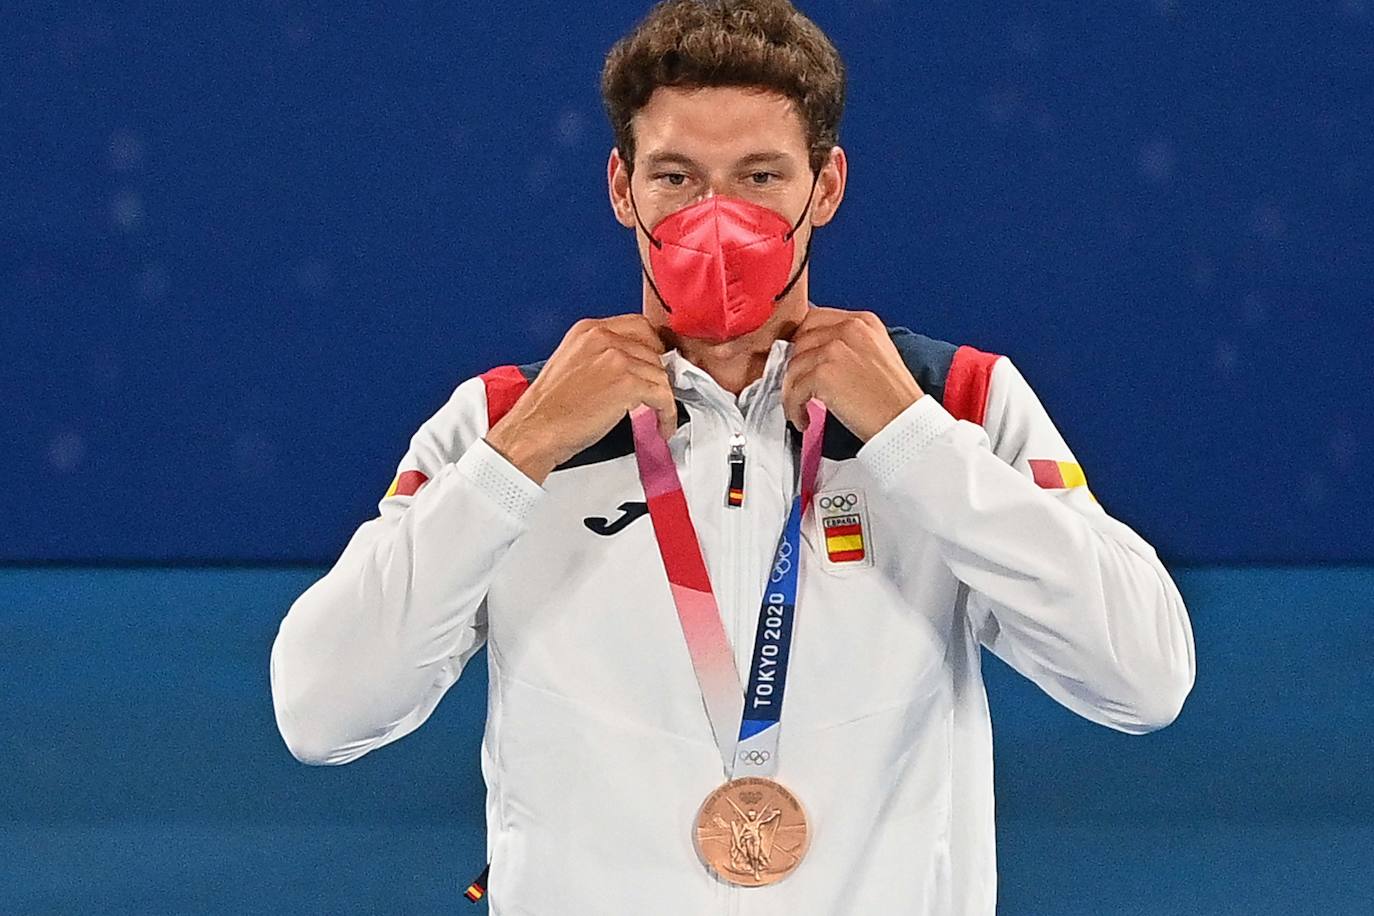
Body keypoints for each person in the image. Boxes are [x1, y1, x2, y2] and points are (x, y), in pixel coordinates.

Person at [269, 1, 1196, 912]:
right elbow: (321, 711)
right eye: (676, 177)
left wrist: (912, 439)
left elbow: (1144, 677)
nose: (717, 220)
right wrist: (522, 457)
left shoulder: (960, 403)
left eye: (759, 177)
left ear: (824, 188)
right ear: (621, 188)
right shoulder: (501, 421)